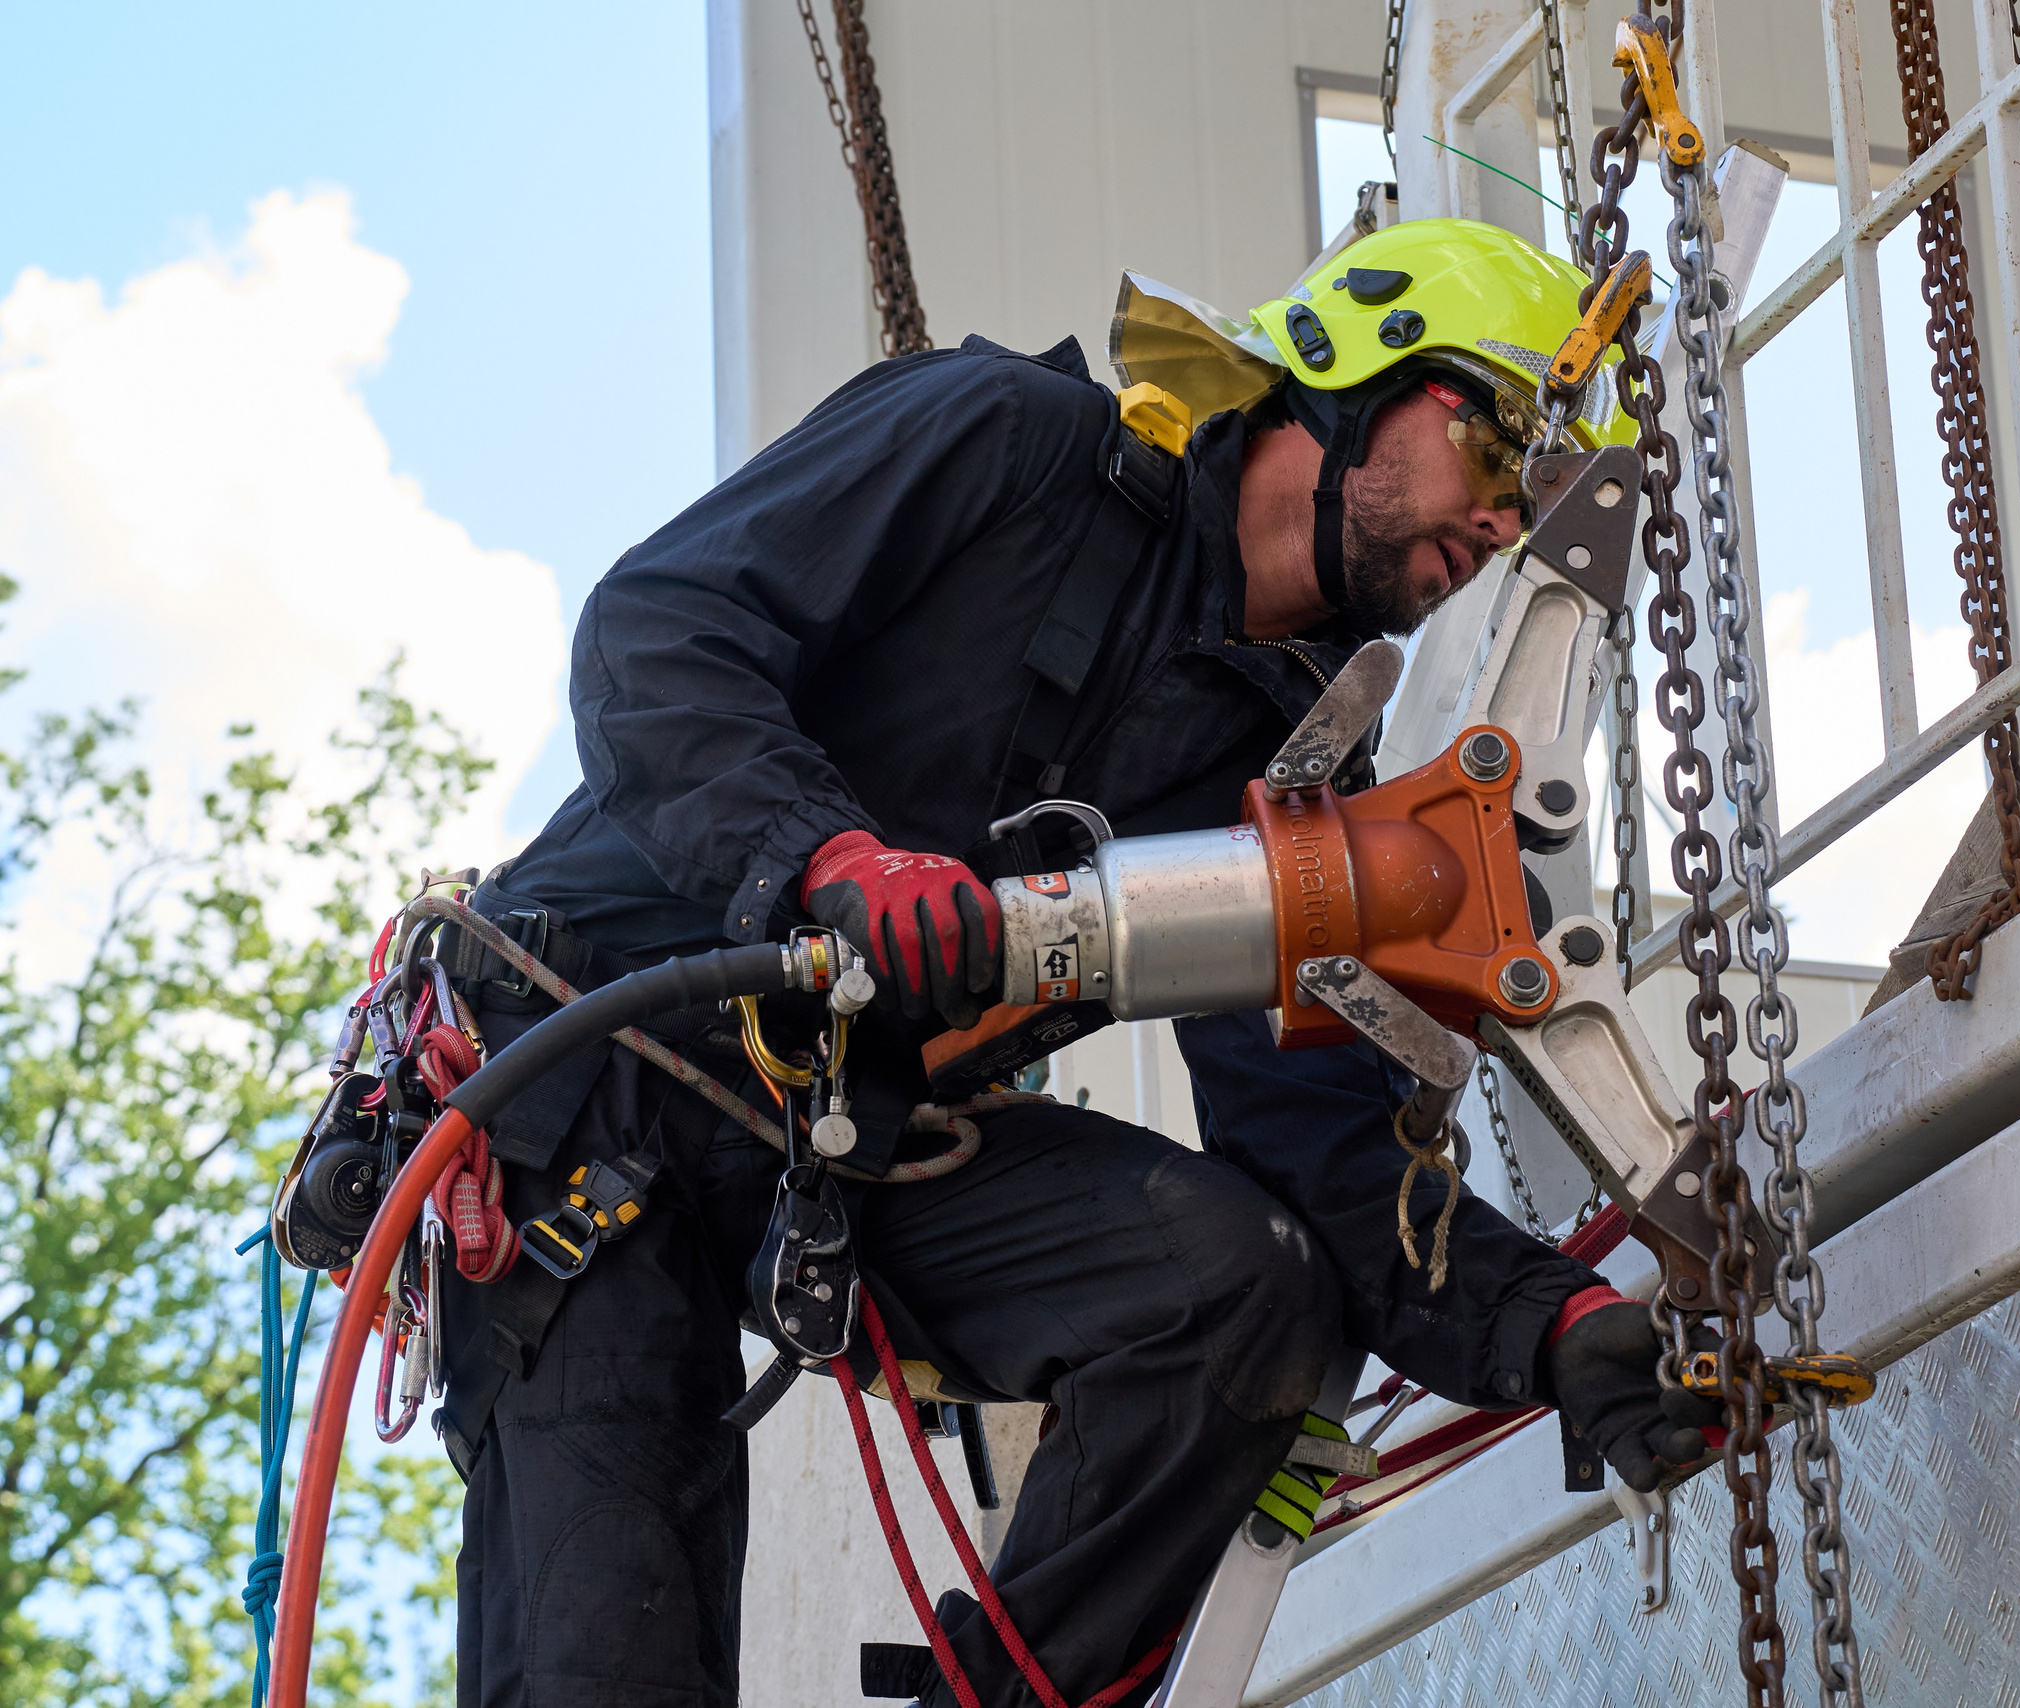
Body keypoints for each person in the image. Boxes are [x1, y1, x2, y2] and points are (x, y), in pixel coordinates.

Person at [431, 218, 1720, 1708]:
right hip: (588, 1088)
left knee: (1238, 1289)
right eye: (1499, 462)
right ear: (1364, 370)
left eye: (1540, 500)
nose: (1504, 529)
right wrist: (828, 858)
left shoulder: (1292, 769)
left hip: (835, 1143)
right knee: (610, 1662)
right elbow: (655, 635)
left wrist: (1554, 1326)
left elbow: (1316, 1156)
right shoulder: (1005, 445)